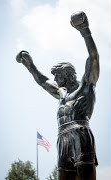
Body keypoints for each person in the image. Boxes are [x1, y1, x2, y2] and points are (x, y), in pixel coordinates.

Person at [16, 11, 99, 180]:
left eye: (58, 75)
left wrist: (84, 29)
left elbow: (93, 58)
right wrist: (29, 65)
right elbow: (43, 81)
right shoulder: (61, 93)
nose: (55, 79)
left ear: (69, 75)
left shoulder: (85, 86)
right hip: (63, 138)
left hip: (80, 133)